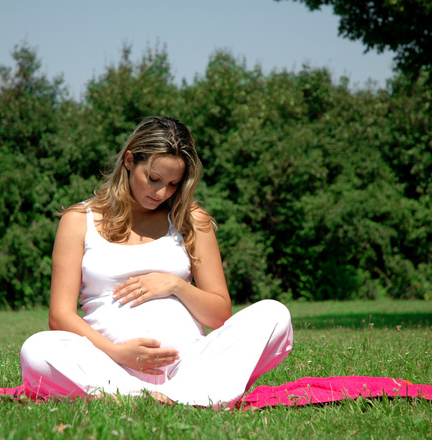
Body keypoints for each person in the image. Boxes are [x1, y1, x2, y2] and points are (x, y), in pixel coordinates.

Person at [20, 116, 293, 407]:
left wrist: (175, 285)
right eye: (153, 179)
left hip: (188, 366)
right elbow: (60, 316)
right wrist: (117, 353)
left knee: (274, 314)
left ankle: (167, 395)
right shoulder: (79, 221)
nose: (161, 192)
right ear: (129, 161)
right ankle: (166, 397)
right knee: (36, 349)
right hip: (110, 364)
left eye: (173, 184)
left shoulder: (191, 219)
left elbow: (219, 316)